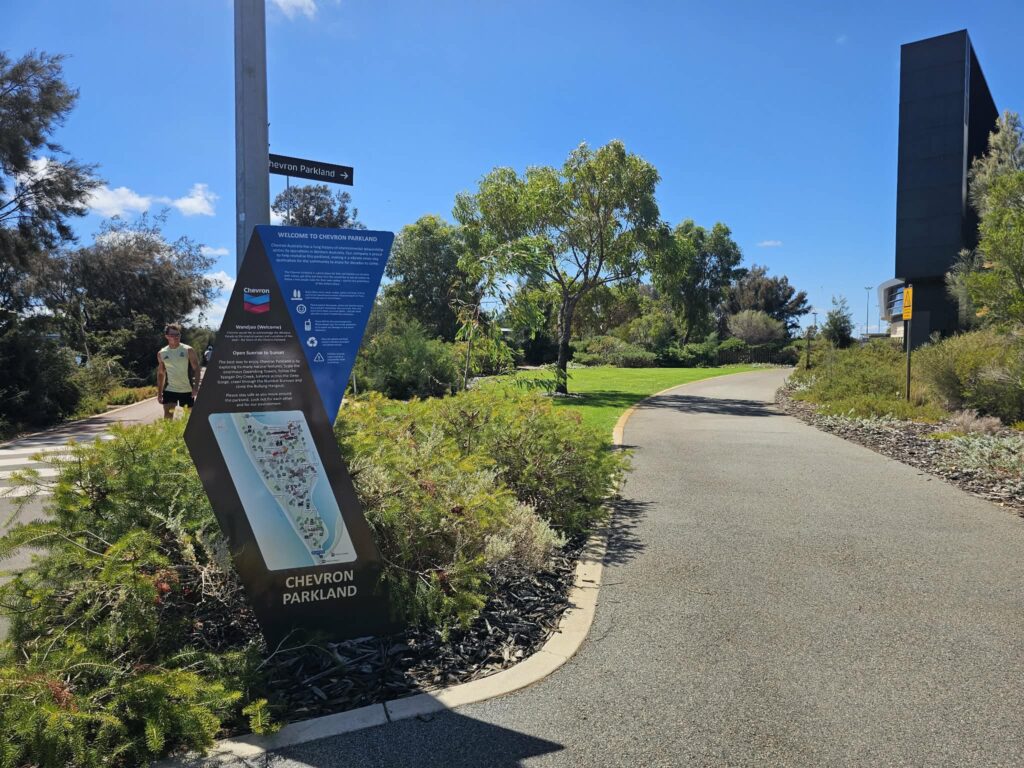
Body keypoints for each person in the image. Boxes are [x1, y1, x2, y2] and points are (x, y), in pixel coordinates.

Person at [156, 323, 201, 419]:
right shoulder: (162, 353)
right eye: (173, 335)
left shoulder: (188, 350)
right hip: (170, 390)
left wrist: (196, 387)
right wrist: (159, 393)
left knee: (189, 419)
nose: (176, 337)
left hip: (187, 390)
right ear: (167, 336)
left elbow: (197, 369)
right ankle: (169, 434)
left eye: (178, 335)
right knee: (168, 417)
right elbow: (161, 373)